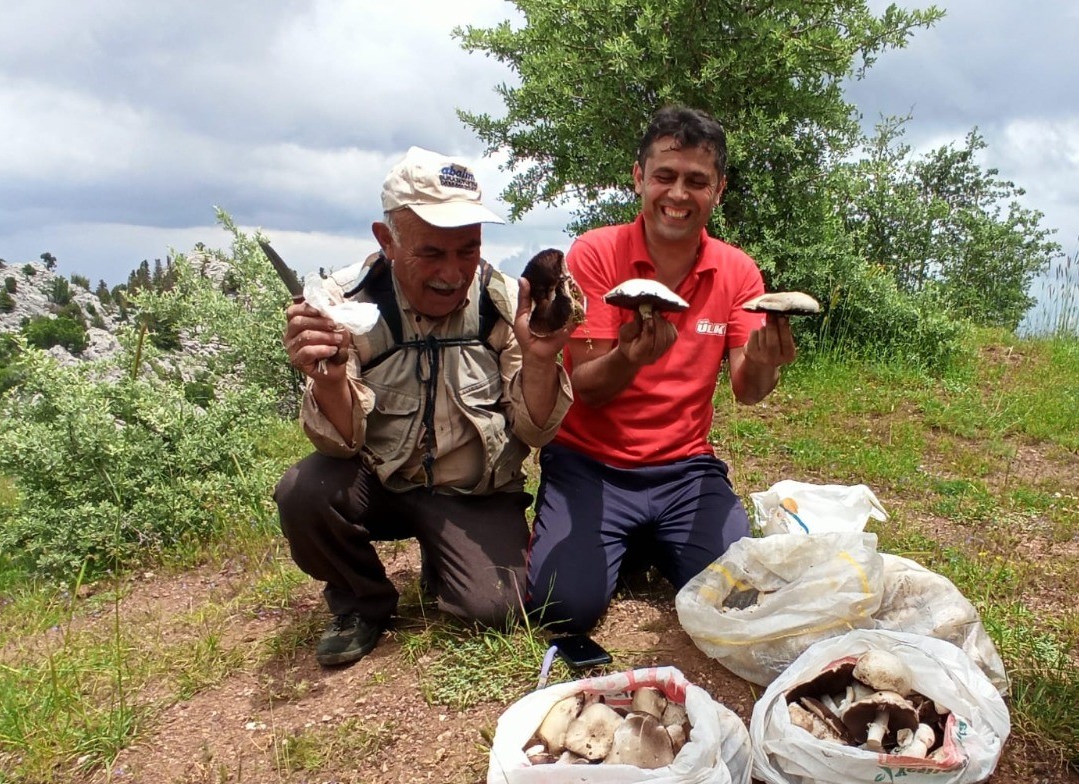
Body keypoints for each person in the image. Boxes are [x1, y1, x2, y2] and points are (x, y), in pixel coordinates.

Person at [276, 146, 574, 666]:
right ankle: (361, 601)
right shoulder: (345, 305)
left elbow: (535, 428)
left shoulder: (504, 303)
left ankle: (447, 558)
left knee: (496, 608)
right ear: (386, 240)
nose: (453, 272)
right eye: (432, 252)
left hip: (474, 492)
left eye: (468, 249)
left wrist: (542, 358)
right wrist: (326, 378)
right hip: (381, 485)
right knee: (305, 491)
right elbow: (340, 443)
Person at [525, 106, 797, 633]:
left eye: (697, 181)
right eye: (664, 177)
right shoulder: (597, 253)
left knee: (740, 599)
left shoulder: (738, 271)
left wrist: (765, 363)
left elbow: (748, 389)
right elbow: (583, 389)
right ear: (639, 179)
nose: (678, 195)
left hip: (685, 470)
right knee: (563, 611)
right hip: (591, 463)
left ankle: (645, 539)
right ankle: (619, 540)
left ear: (717, 190)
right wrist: (629, 357)